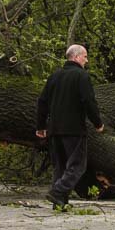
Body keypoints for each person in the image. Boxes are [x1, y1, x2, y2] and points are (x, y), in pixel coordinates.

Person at [36, 44, 104, 209]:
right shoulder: (81, 76)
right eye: (85, 56)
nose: (86, 60)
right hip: (73, 129)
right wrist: (98, 123)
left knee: (60, 166)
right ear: (76, 57)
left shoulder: (54, 76)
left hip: (54, 129)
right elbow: (88, 102)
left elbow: (42, 102)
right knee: (77, 165)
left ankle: (59, 203)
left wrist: (41, 126)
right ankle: (57, 191)